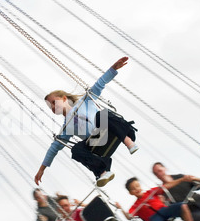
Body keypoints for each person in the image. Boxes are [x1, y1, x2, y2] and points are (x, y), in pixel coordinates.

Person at [34, 56, 138, 188]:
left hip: (111, 129)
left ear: (64, 98)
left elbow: (99, 84)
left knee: (101, 115)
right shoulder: (67, 127)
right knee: (76, 150)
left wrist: (113, 69)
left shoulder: (85, 101)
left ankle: (128, 142)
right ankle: (102, 172)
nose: (53, 107)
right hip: (98, 144)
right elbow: (54, 148)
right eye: (51, 106)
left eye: (54, 102)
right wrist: (42, 169)